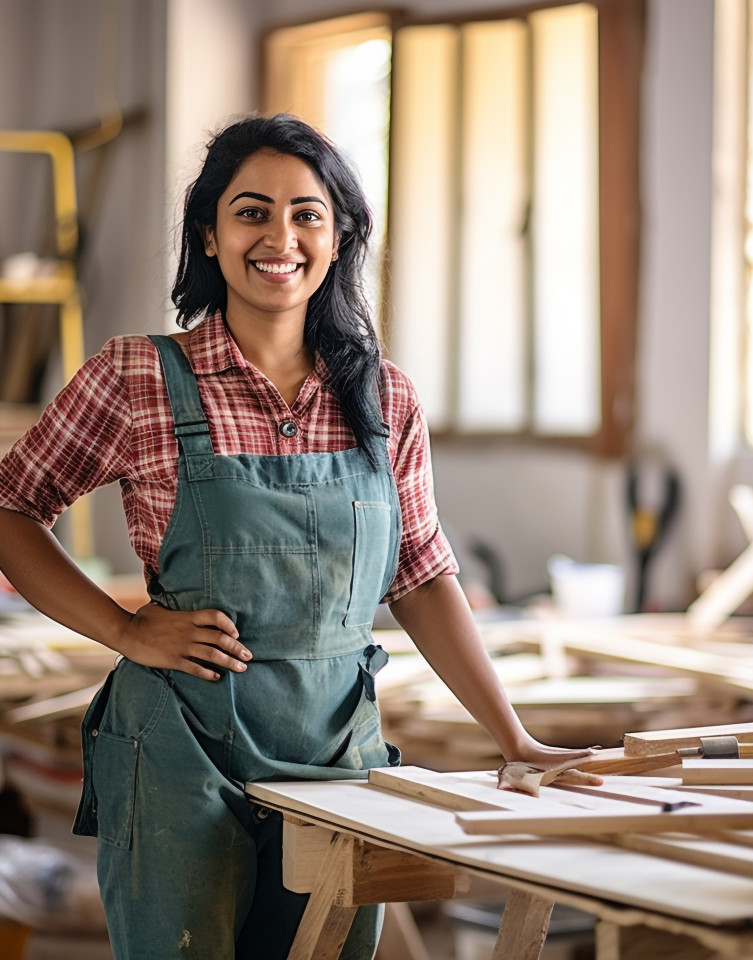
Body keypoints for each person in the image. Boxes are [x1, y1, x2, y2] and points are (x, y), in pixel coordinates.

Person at [0, 114, 594, 960]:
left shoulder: (384, 398)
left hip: (336, 749)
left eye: (307, 214)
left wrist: (517, 739)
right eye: (251, 212)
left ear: (341, 234)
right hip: (179, 745)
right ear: (207, 234)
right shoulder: (138, 375)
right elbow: (12, 507)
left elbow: (421, 576)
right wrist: (126, 629)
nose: (280, 237)